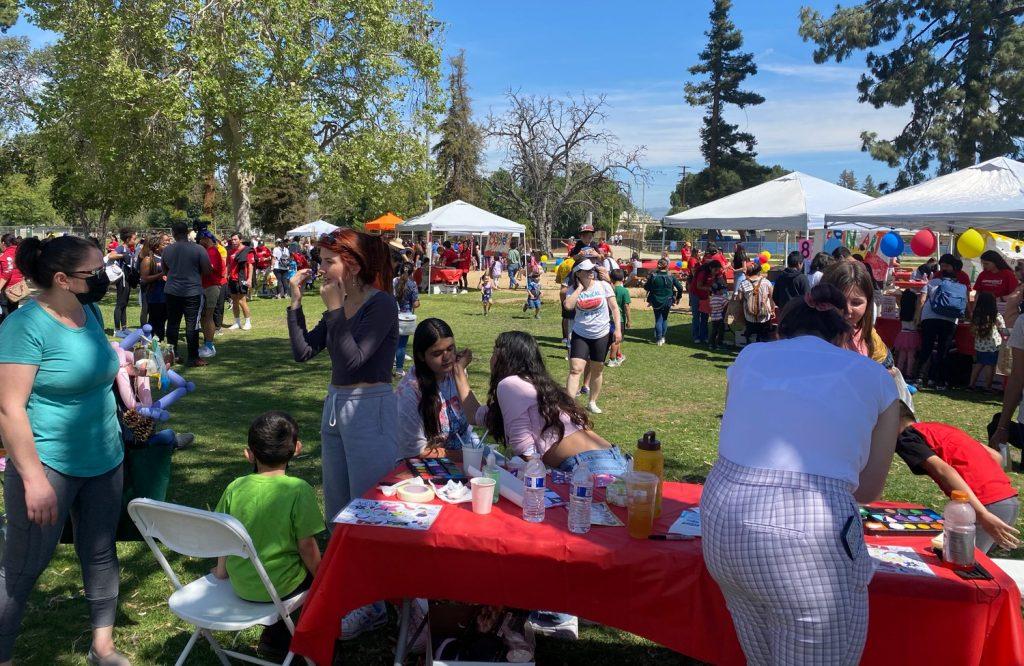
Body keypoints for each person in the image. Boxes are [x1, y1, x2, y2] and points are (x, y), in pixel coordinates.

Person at [702, 283, 900, 666]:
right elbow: (870, 488)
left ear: (782, 328)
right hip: (805, 532)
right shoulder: (876, 377)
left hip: (723, 520)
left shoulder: (750, 356)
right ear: (845, 332)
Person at [0, 235, 131, 666]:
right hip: (49, 465)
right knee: (20, 570)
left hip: (105, 457)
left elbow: (96, 371)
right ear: (62, 279)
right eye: (94, 272)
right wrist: (34, 480)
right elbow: (9, 408)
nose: (106, 276)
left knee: (99, 551)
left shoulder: (89, 310)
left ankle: (102, 646)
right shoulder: (24, 325)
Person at [287, 229, 397, 638]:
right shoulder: (342, 301)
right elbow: (303, 352)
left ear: (351, 265)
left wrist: (335, 312)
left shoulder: (380, 304)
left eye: (326, 260)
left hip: (370, 407)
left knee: (367, 510)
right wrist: (297, 306)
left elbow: (354, 361)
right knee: (338, 510)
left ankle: (375, 604)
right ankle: (357, 596)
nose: (319, 268)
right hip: (335, 406)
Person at [213, 411, 324, 660]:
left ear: (248, 454)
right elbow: (307, 546)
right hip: (280, 588)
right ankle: (281, 640)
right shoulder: (298, 490)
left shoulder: (235, 487)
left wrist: (221, 572)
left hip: (242, 584)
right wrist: (321, 577)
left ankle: (273, 638)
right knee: (311, 570)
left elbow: (222, 534)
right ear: (297, 448)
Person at [475, 330, 627, 475]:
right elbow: (476, 415)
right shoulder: (537, 385)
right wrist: (459, 372)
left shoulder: (510, 384)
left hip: (589, 466)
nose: (491, 358)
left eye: (494, 352)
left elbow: (524, 448)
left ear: (504, 358)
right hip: (612, 457)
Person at [894, 402, 1019, 554]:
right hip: (1009, 501)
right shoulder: (937, 428)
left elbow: (943, 470)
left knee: (959, 567)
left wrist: (982, 514)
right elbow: (996, 457)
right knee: (976, 565)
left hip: (985, 507)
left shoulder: (907, 438)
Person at [395, 318, 481, 458]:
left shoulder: (457, 373)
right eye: (437, 353)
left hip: (468, 452)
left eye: (450, 349)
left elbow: (475, 416)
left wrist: (460, 373)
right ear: (421, 356)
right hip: (429, 466)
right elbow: (416, 452)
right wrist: (466, 456)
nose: (447, 358)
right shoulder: (409, 393)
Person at [564, 259, 621, 414]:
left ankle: (592, 402)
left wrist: (618, 330)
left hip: (601, 334)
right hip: (580, 334)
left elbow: (615, 308)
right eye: (587, 270)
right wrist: (579, 289)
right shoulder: (573, 289)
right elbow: (568, 306)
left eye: (592, 270)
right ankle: (570, 406)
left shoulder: (603, 286)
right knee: (576, 369)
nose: (591, 272)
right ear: (578, 273)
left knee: (597, 369)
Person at [162, 222, 212, 367]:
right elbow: (208, 270)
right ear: (187, 232)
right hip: (193, 291)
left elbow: (165, 271)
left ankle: (173, 355)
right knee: (192, 325)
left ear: (173, 233)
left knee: (172, 324)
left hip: (172, 291)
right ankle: (193, 357)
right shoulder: (198, 249)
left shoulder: (167, 250)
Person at [913, 254, 967, 389]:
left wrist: (917, 316)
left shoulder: (932, 283)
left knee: (927, 347)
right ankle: (939, 381)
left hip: (929, 317)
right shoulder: (962, 286)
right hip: (950, 320)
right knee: (943, 350)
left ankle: (919, 378)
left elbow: (922, 300)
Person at [822, 260, 889, 366]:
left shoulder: (870, 337)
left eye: (856, 303)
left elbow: (887, 373)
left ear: (868, 302)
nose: (847, 312)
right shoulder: (807, 336)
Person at [196, 230, 225, 359]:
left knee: (208, 316)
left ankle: (209, 346)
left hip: (211, 286)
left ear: (205, 239)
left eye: (200, 240)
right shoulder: (209, 251)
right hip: (205, 286)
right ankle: (207, 343)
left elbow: (209, 267)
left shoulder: (212, 251)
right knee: (204, 316)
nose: (199, 243)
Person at [969, 291, 1006, 392]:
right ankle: (988, 387)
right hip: (992, 345)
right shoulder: (995, 315)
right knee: (990, 366)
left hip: (979, 345)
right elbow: (1002, 329)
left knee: (979, 364)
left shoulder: (976, 315)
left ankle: (971, 384)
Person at [644, 258, 684, 346]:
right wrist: (678, 297)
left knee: (658, 319)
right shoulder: (671, 276)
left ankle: (659, 338)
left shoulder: (653, 276)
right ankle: (662, 337)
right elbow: (680, 288)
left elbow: (646, 287)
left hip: (655, 299)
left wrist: (652, 286)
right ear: (667, 266)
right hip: (668, 300)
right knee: (664, 318)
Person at [139, 233, 168, 341]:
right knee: (156, 322)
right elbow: (144, 278)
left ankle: (158, 344)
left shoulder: (164, 258)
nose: (166, 246)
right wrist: (160, 275)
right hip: (155, 295)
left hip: (166, 294)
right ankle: (152, 343)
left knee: (163, 321)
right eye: (163, 244)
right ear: (156, 247)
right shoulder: (148, 260)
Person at [393, 263, 420, 377]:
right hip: (406, 316)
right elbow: (415, 303)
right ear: (411, 272)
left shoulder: (394, 281)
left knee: (390, 342)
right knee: (401, 345)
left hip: (392, 314)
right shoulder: (412, 284)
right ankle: (399, 370)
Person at [110, 229, 138, 337]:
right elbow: (111, 256)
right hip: (121, 280)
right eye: (134, 239)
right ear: (127, 239)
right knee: (119, 304)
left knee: (124, 304)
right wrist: (123, 255)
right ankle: (117, 330)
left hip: (128, 280)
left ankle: (124, 328)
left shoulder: (129, 249)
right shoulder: (121, 248)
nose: (135, 241)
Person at [739, 263, 774, 343]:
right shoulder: (767, 283)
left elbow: (740, 299)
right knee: (764, 337)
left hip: (749, 316)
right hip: (764, 316)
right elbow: (772, 298)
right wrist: (772, 310)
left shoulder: (743, 283)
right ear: (759, 272)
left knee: (751, 337)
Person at [689, 259, 721, 344]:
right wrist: (710, 288)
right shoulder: (702, 273)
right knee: (696, 316)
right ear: (710, 268)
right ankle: (696, 336)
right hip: (695, 295)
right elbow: (699, 286)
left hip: (705, 296)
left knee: (705, 316)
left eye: (718, 270)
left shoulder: (714, 274)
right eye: (715, 270)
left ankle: (704, 336)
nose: (717, 272)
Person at [227, 234, 254, 331]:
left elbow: (250, 265)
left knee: (242, 301)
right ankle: (237, 322)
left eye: (235, 239)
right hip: (232, 280)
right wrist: (227, 275)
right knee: (234, 301)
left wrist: (249, 279)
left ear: (240, 240)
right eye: (232, 240)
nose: (233, 241)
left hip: (242, 279)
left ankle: (248, 322)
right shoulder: (230, 251)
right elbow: (229, 265)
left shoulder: (247, 250)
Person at [893, 288, 921, 379]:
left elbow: (897, 294)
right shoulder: (915, 315)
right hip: (912, 335)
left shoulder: (902, 311)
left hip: (903, 334)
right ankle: (909, 373)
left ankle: (899, 372)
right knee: (911, 356)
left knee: (902, 356)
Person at [0, 234, 25, 324]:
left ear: (3, 243)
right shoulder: (19, 253)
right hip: (17, 288)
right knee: (13, 310)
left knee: (6, 313)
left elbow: (7, 273)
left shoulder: (7, 255)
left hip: (7, 290)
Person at [608, 268, 630, 366]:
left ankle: (618, 355)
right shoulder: (624, 291)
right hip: (619, 319)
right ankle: (612, 360)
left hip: (608, 318)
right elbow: (626, 306)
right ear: (623, 279)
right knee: (615, 340)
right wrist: (629, 320)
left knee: (617, 338)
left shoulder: (608, 289)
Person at [555, 254, 576, 348]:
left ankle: (565, 337)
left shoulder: (562, 264)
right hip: (574, 293)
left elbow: (558, 280)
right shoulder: (576, 263)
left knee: (565, 316)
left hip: (564, 292)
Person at [708, 281, 730, 351]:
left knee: (714, 331)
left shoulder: (712, 298)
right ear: (717, 291)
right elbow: (727, 305)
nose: (723, 291)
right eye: (721, 290)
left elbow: (711, 307)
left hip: (714, 318)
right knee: (721, 332)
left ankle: (711, 344)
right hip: (721, 318)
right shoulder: (722, 298)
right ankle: (719, 345)